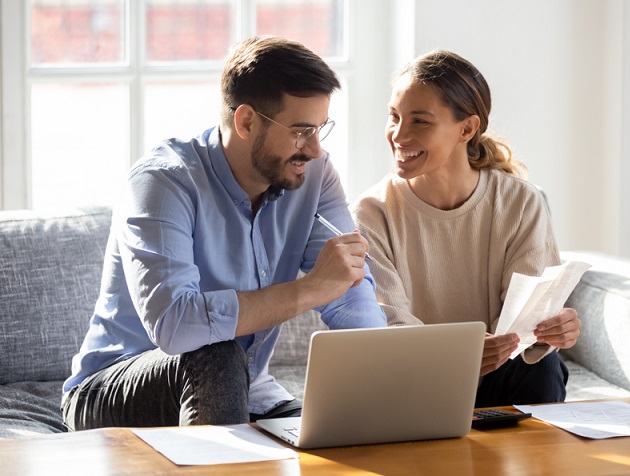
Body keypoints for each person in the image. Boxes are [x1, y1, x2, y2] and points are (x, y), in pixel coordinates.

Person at [62, 35, 386, 430]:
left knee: (343, 435)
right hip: (112, 387)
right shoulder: (163, 183)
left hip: (249, 391)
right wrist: (308, 289)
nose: (315, 149)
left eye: (321, 129)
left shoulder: (314, 175)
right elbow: (176, 325)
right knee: (215, 354)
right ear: (247, 121)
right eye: (301, 131)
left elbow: (349, 290)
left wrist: (383, 377)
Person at [352, 50, 580, 406]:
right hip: (417, 381)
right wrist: (460, 355)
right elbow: (389, 328)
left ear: (467, 128)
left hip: (501, 372)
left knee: (542, 367)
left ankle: (538, 460)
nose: (398, 134)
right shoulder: (372, 213)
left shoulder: (521, 202)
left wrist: (550, 331)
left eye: (420, 121)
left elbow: (526, 323)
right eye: (394, 117)